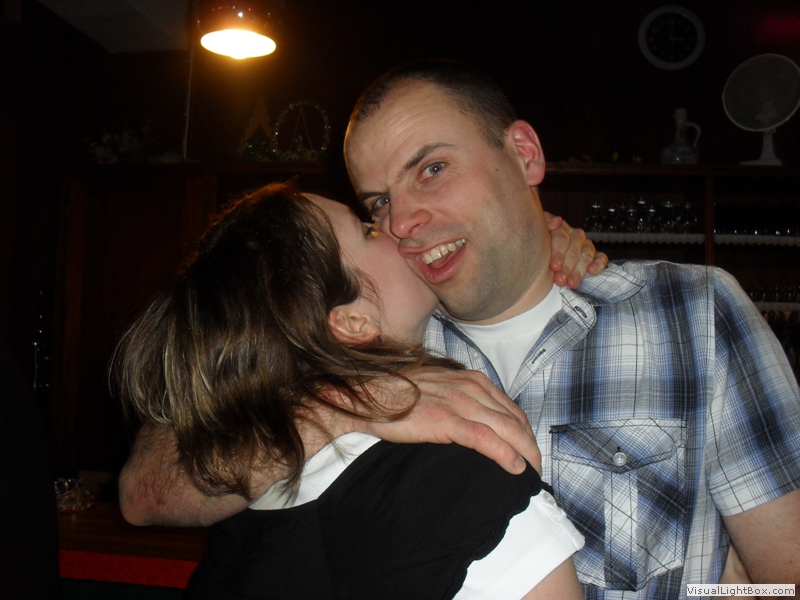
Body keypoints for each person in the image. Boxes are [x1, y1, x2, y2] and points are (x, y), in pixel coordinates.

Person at [340, 61, 800, 597]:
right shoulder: (371, 356)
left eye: (432, 169)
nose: (401, 223)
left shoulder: (693, 313)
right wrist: (346, 402)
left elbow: (784, 580)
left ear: (524, 154)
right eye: (380, 203)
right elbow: (242, 481)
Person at [112, 183, 585, 599]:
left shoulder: (253, 492)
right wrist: (349, 402)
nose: (396, 226)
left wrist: (528, 244)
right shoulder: (459, 492)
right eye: (369, 227)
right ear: (353, 322)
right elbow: (141, 493)